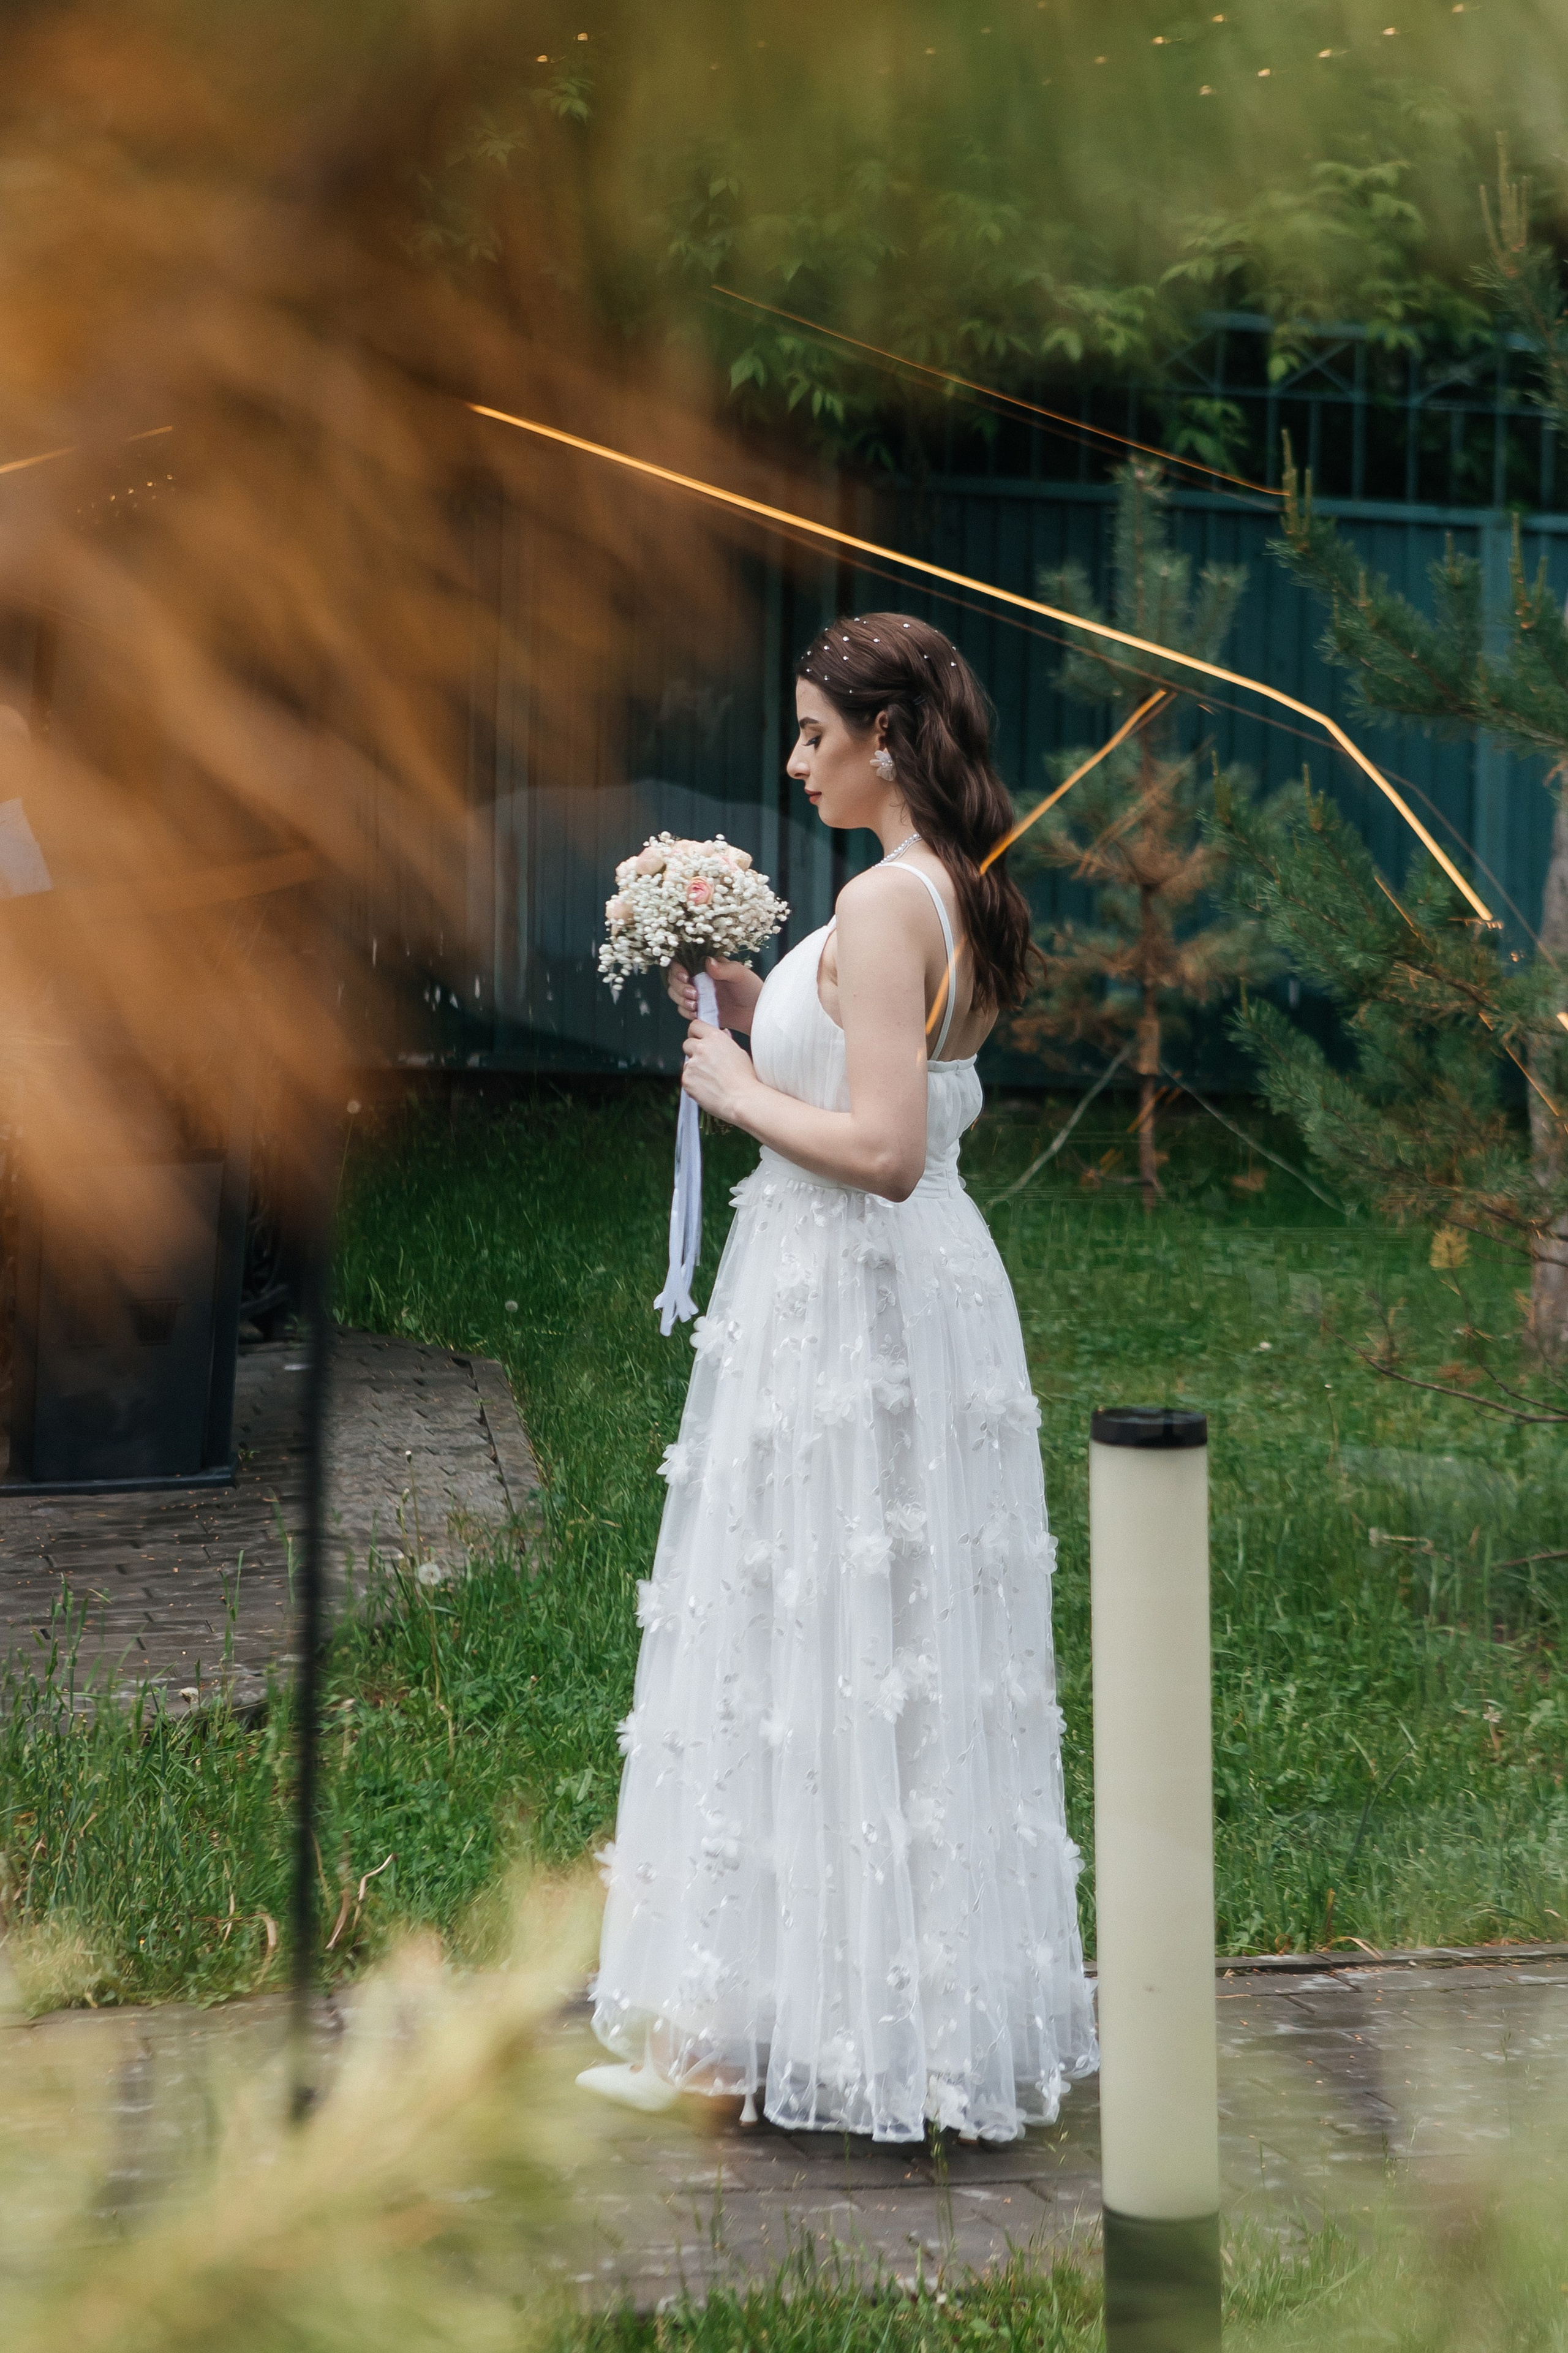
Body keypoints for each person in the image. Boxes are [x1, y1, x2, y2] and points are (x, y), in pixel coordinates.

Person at [579, 613, 1097, 2142]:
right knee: (876, 1647)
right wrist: (751, 1008)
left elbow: (880, 1149)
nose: (797, 759)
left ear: (887, 735)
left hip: (853, 1295)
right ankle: (845, 2024)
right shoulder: (960, 890)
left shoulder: (883, 905)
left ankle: (786, 2038)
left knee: (818, 1632)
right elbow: (897, 1081)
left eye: (816, 731)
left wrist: (737, 1090)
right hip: (915, 1294)